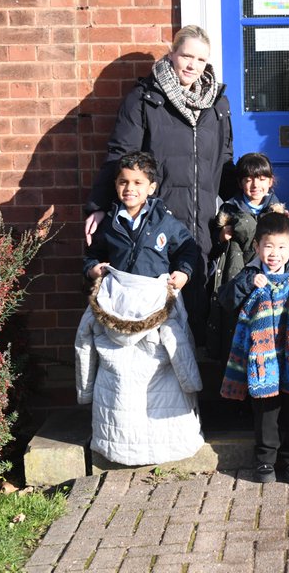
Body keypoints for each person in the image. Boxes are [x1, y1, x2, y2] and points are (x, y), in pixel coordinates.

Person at [84, 25, 233, 343]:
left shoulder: (217, 104)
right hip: (155, 221)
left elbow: (224, 160)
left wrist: (245, 209)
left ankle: (192, 371)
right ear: (172, 54)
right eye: (186, 56)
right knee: (155, 314)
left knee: (197, 296)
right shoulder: (144, 99)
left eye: (201, 59)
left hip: (203, 220)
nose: (193, 65)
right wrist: (98, 206)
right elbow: (120, 156)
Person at [76, 151, 204, 465]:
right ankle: (120, 446)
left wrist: (184, 272)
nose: (129, 188)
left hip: (155, 311)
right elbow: (92, 255)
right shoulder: (109, 224)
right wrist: (93, 269)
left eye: (137, 182)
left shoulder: (165, 222)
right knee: (120, 375)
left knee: (162, 373)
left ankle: (167, 444)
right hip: (117, 312)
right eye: (123, 182)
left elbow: (189, 248)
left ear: (152, 187)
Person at [219, 211, 289, 484]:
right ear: (256, 246)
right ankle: (265, 459)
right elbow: (226, 299)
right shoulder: (250, 273)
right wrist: (247, 283)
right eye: (268, 246)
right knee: (266, 408)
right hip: (262, 358)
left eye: (281, 247)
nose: (274, 254)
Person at [206, 152, 286, 364]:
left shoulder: (278, 213)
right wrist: (221, 236)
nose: (255, 185)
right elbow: (213, 246)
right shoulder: (228, 209)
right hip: (236, 276)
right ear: (240, 182)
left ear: (270, 181)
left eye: (261, 178)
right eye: (248, 179)